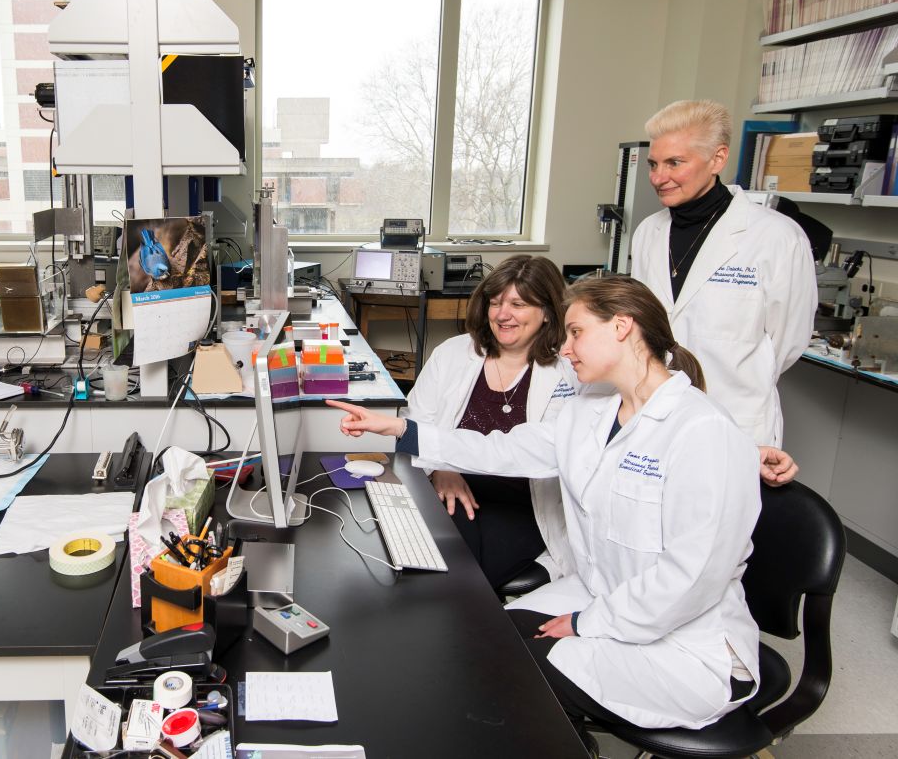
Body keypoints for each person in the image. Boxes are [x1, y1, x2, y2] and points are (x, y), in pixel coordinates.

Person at [327, 277, 799, 735]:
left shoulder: (704, 432)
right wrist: (398, 430)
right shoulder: (588, 413)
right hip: (601, 595)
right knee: (480, 638)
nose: (565, 347)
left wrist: (585, 624)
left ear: (622, 326)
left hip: (687, 647)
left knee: (508, 673)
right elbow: (501, 449)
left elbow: (689, 579)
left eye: (576, 333)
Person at [631, 99, 816, 451]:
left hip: (735, 419)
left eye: (675, 163)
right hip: (656, 412)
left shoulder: (776, 237)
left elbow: (787, 343)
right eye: (654, 164)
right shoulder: (647, 233)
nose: (658, 177)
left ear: (717, 159)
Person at [404, 255, 580, 589]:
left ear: (546, 312)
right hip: (451, 489)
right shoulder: (454, 353)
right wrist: (443, 468)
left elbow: (551, 451)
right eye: (496, 302)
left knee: (455, 575)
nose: (502, 314)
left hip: (524, 505)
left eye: (518, 304)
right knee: (431, 560)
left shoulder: (567, 371)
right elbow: (415, 420)